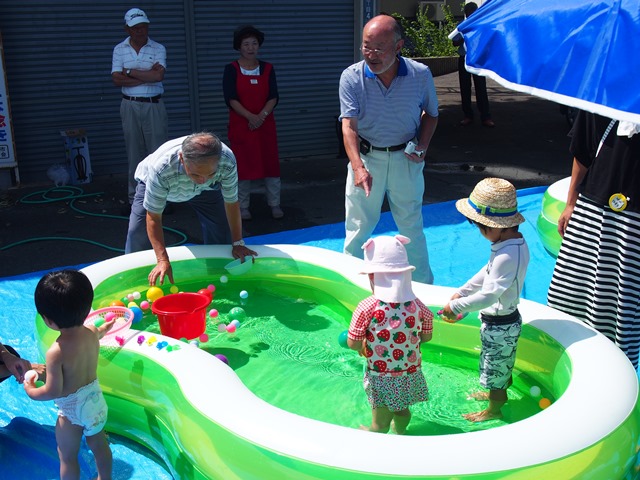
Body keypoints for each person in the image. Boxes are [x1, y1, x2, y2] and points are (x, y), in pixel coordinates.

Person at [339, 14, 439, 284]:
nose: (371, 54)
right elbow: (349, 125)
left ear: (398, 46)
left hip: (406, 159)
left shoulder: (420, 74)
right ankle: (352, 285)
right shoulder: (351, 76)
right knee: (358, 228)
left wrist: (422, 146)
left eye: (379, 48)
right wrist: (358, 167)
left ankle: (423, 288)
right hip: (367, 158)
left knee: (412, 227)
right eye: (366, 46)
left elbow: (431, 114)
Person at [547, 111, 640, 368]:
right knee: (569, 295)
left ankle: (615, 378)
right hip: (592, 205)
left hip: (634, 225)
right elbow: (584, 148)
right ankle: (564, 370)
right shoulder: (607, 82)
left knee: (621, 310)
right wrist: (570, 203)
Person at [441, 177, 529, 422]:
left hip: (501, 325)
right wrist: (463, 290)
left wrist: (455, 306)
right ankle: (494, 391)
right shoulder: (509, 244)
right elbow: (486, 271)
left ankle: (494, 409)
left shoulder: (507, 255)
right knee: (497, 365)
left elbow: (490, 294)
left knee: (495, 366)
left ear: (498, 225)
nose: (481, 232)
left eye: (482, 227)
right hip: (500, 322)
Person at [124, 132, 258, 286]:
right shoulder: (162, 167)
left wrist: (238, 243)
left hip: (205, 192)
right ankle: (134, 281)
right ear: (182, 158)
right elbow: (154, 217)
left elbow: (231, 203)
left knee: (221, 228)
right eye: (196, 173)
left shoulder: (226, 161)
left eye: (211, 173)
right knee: (137, 232)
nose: (202, 179)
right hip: (160, 185)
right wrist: (163, 260)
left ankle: (217, 275)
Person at [24, 270, 114, 480]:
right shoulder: (91, 332)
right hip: (95, 401)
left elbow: (53, 390)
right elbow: (99, 332)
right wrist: (107, 327)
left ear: (48, 320)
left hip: (72, 411)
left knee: (67, 455)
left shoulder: (56, 352)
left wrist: (31, 391)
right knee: (99, 445)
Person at [347, 235, 433, 434]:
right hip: (409, 372)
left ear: (372, 276)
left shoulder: (368, 307)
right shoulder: (416, 304)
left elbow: (353, 343)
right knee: (402, 410)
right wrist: (417, 339)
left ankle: (375, 435)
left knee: (380, 421)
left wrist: (362, 346)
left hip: (381, 375)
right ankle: (401, 432)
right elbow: (427, 331)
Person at [222, 25, 283, 221]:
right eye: (246, 44)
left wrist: (261, 116)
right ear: (239, 47)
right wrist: (250, 117)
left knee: (271, 164)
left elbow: (274, 96)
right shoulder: (231, 69)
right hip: (242, 126)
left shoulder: (268, 68)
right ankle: (243, 207)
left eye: (254, 43)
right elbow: (230, 98)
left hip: (265, 125)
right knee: (243, 166)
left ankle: (274, 204)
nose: (250, 47)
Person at [112, 8, 168, 208]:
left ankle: (160, 200)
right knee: (134, 153)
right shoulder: (119, 49)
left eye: (143, 26)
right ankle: (134, 200)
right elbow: (116, 80)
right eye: (135, 27)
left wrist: (129, 72)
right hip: (129, 105)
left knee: (159, 154)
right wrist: (145, 75)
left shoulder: (158, 48)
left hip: (154, 104)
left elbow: (158, 77)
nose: (140, 30)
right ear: (127, 28)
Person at [451, 2, 494, 128]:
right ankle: (468, 115)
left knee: (481, 87)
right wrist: (465, 36)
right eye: (469, 11)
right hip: (464, 58)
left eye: (473, 11)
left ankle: (486, 116)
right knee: (465, 88)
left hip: (477, 59)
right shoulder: (461, 25)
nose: (471, 13)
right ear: (465, 13)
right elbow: (454, 43)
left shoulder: (481, 25)